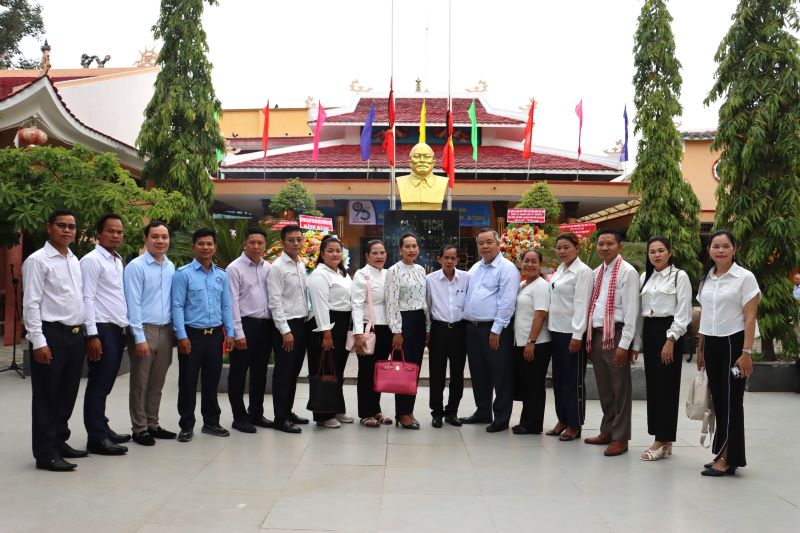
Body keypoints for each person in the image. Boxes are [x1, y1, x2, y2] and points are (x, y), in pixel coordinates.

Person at [22, 210, 87, 471]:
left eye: (72, 226)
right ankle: (46, 454)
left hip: (74, 335)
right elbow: (31, 304)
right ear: (49, 228)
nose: (67, 230)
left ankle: (60, 441)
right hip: (51, 335)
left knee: (66, 394)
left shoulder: (73, 259)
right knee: (47, 397)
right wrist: (38, 341)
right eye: (62, 225)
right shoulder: (38, 261)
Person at [697, 230, 760, 477]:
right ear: (709, 250)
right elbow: (704, 315)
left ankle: (728, 458)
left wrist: (746, 352)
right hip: (711, 343)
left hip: (734, 344)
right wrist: (700, 349)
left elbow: (750, 316)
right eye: (715, 246)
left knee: (732, 401)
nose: (720, 250)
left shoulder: (745, 278)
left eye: (725, 246)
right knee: (719, 401)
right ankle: (722, 452)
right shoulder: (707, 278)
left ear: (735, 249)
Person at [171, 228, 235, 443]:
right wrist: (181, 336)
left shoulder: (221, 275)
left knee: (211, 381)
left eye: (209, 244)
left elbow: (226, 305)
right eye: (201, 244)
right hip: (192, 335)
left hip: (215, 335)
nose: (206, 247)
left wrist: (230, 333)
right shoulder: (183, 274)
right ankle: (186, 425)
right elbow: (177, 306)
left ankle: (211, 422)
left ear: (214, 247)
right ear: (193, 247)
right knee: (188, 382)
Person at [584, 229, 640, 457]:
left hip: (616, 335)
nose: (604, 248)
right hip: (597, 335)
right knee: (605, 389)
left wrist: (625, 344)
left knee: (620, 389)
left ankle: (620, 437)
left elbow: (631, 312)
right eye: (600, 244)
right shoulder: (597, 272)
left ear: (620, 247)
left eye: (609, 244)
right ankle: (607, 430)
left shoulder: (628, 273)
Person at [637, 237, 692, 461]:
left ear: (670, 253)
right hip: (650, 333)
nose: (656, 255)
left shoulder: (680, 276)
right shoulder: (645, 277)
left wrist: (671, 339)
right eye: (652, 251)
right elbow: (641, 312)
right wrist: (637, 343)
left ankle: (661, 439)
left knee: (667, 388)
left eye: (661, 251)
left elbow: (684, 311)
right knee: (654, 387)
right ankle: (665, 439)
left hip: (669, 333)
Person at [460, 228, 521, 433]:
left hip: (495, 330)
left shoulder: (507, 268)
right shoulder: (475, 268)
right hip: (473, 329)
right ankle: (483, 411)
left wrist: (496, 330)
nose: (484, 247)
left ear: (498, 243)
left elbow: (507, 302)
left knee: (500, 374)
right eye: (480, 243)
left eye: (489, 242)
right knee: (478, 373)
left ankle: (502, 418)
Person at [80, 213, 131, 456]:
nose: (116, 235)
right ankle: (96, 438)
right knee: (98, 385)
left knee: (106, 384)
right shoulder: (91, 261)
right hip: (101, 329)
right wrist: (92, 335)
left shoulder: (116, 260)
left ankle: (102, 427)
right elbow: (87, 298)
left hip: (117, 330)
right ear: (99, 233)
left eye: (119, 232)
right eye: (111, 231)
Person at [123, 220, 177, 446]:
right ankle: (139, 428)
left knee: (157, 382)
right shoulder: (136, 266)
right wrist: (139, 338)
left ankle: (153, 423)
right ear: (146, 239)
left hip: (166, 330)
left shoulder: (170, 266)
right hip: (143, 329)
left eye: (164, 237)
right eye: (155, 236)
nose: (160, 241)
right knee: (140, 382)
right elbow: (132, 304)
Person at [226, 227, 275, 434]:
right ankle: (239, 417)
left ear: (265, 245)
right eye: (252, 242)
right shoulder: (234, 268)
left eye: (260, 243)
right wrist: (238, 333)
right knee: (238, 372)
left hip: (265, 326)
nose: (256, 246)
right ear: (245, 244)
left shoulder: (268, 268)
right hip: (245, 325)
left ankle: (256, 412)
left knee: (260, 372)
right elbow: (232, 302)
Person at [547, 232, 593, 441]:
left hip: (571, 334)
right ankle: (562, 419)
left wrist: (577, 334)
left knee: (572, 381)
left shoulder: (582, 272)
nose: (562, 251)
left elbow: (582, 304)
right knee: (558, 380)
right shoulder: (560, 270)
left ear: (577, 248)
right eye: (559, 248)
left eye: (566, 247)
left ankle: (575, 423)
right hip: (555, 331)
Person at [267, 225, 311, 434]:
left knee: (293, 372)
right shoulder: (277, 267)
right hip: (286, 327)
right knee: (283, 373)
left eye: (299, 239)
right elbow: (275, 302)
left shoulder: (300, 264)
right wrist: (285, 330)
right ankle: (280, 417)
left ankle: (288, 411)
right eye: (291, 240)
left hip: (301, 323)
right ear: (282, 243)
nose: (296, 243)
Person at [307, 235, 353, 427]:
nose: (335, 254)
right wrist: (326, 333)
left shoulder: (342, 273)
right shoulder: (319, 274)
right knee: (324, 368)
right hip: (325, 325)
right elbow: (320, 306)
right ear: (322, 254)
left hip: (342, 324)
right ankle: (322, 415)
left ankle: (336, 409)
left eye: (338, 250)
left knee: (337, 369)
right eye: (330, 251)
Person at [385, 233, 428, 430]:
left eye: (414, 246)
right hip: (403, 323)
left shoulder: (420, 269)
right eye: (407, 246)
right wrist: (396, 331)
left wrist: (427, 327)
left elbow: (424, 301)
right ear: (400, 249)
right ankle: (402, 413)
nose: (412, 250)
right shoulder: (393, 271)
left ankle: (408, 410)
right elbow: (392, 302)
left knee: (414, 368)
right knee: (402, 368)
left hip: (419, 320)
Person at [350, 240, 394, 428]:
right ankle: (365, 413)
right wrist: (358, 333)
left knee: (379, 372)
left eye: (382, 252)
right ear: (367, 255)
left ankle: (376, 410)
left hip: (387, 329)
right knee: (367, 371)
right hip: (369, 329)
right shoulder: (362, 275)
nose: (379, 256)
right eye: (374, 253)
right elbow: (357, 305)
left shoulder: (389, 274)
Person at [426, 244, 468, 428]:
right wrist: (427, 332)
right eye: (446, 257)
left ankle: (452, 412)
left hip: (459, 330)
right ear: (440, 259)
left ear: (458, 260)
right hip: (438, 330)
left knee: (458, 374)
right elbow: (426, 307)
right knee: (437, 374)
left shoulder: (466, 279)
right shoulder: (430, 280)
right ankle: (437, 412)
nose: (450, 261)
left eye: (453, 258)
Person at [512, 249, 552, 435]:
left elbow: (540, 314)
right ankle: (526, 421)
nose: (529, 264)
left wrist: (531, 341)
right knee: (527, 384)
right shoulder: (522, 285)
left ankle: (533, 424)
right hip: (521, 343)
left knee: (535, 384)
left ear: (540, 265)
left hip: (537, 343)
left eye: (533, 261)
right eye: (526, 261)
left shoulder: (541, 286)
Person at [395, 143, 449, 210]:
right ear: (410, 162)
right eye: (417, 156)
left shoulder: (443, 182)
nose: (422, 160)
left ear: (433, 162)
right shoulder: (401, 182)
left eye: (427, 157)